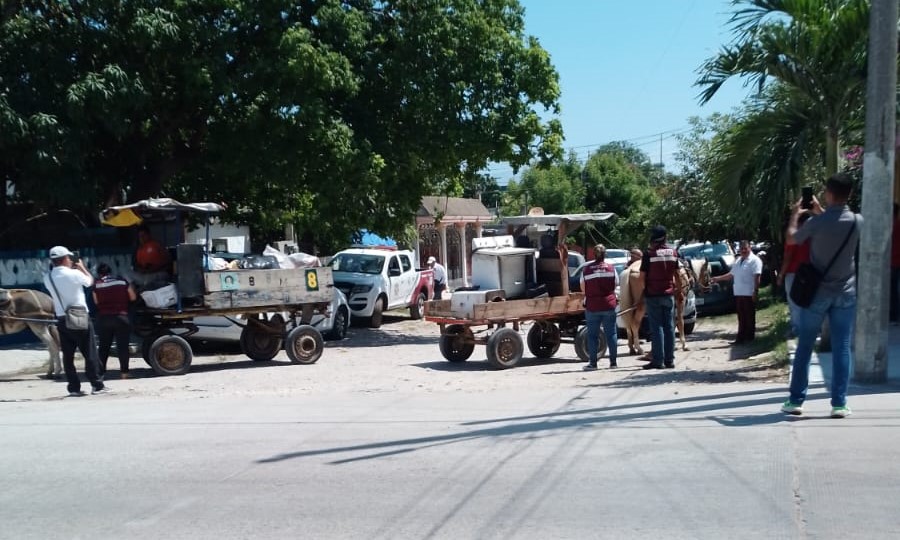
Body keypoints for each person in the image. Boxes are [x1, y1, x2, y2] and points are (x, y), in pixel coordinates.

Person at [781, 173, 861, 418]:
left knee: (805, 346)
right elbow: (837, 223)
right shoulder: (858, 221)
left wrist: (796, 214)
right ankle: (839, 404)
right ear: (849, 194)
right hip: (846, 291)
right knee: (842, 347)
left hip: (817, 293)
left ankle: (796, 401)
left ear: (828, 193)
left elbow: (792, 238)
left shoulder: (816, 223)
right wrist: (821, 210)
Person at [43, 246, 108, 396]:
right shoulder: (74, 274)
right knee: (89, 351)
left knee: (68, 354)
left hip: (61, 318)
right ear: (66, 258)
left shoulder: (48, 277)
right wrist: (82, 267)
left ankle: (73, 387)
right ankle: (97, 385)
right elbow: (90, 282)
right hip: (79, 317)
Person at [638, 225, 680, 369]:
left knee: (657, 328)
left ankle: (658, 360)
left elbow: (642, 277)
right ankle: (670, 360)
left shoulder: (649, 254)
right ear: (665, 237)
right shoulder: (673, 253)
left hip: (653, 294)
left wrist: (644, 292)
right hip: (668, 294)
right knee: (669, 327)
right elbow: (677, 275)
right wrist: (677, 289)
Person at [711, 240, 763, 345]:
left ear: (750, 248)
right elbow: (731, 275)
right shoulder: (738, 260)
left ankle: (749, 339)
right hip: (739, 293)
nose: (743, 250)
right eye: (741, 248)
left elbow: (757, 277)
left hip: (749, 293)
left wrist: (755, 291)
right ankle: (740, 338)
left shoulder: (755, 260)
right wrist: (717, 279)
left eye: (745, 248)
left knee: (749, 317)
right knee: (741, 317)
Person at [93, 263, 137, 379]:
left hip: (104, 319)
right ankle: (124, 373)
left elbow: (96, 302)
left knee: (103, 347)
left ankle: (100, 374)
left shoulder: (96, 285)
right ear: (110, 272)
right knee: (122, 347)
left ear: (99, 274)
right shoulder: (122, 281)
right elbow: (132, 297)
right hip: (121, 318)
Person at [580, 244, 619, 370]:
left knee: (592, 336)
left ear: (593, 254)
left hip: (592, 306)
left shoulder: (587, 269)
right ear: (604, 254)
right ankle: (613, 363)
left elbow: (582, 286)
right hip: (608, 304)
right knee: (611, 333)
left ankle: (593, 363)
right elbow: (616, 283)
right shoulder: (611, 268)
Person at [778, 213, 811, 337]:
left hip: (794, 272)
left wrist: (781, 275)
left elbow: (788, 257)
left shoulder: (794, 237)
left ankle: (797, 329)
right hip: (810, 271)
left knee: (794, 302)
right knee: (808, 301)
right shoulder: (811, 235)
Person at [133, 224, 171, 291]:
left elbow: (168, 261)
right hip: (146, 275)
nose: (141, 238)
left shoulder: (157, 245)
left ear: (148, 235)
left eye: (143, 235)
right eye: (140, 236)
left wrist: (153, 269)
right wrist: (141, 270)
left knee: (147, 281)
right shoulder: (139, 249)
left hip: (159, 273)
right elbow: (138, 265)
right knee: (126, 273)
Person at [890, 204, 900, 324]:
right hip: (895, 261)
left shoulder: (892, 226)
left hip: (893, 262)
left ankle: (893, 315)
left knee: (892, 290)